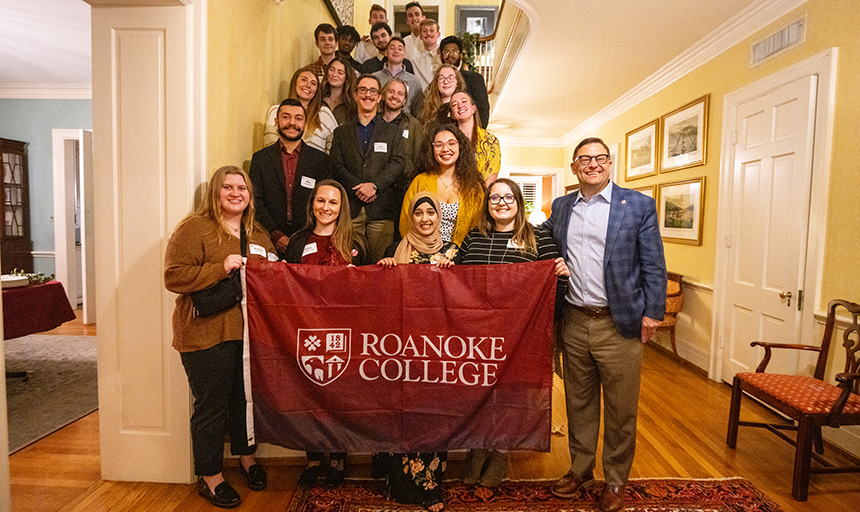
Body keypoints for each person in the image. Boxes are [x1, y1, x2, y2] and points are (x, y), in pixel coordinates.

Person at [543, 137, 666, 512]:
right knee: (579, 405)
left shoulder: (638, 205)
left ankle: (615, 480)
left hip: (620, 323)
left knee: (620, 408)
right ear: (575, 167)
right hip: (575, 320)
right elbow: (538, 240)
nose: (592, 164)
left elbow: (654, 264)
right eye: (585, 159)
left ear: (610, 163)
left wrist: (653, 313)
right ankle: (580, 470)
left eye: (599, 158)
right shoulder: (563, 206)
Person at [164, 166, 276, 508]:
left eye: (241, 187)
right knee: (211, 407)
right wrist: (222, 266)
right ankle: (210, 476)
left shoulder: (257, 234)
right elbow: (173, 276)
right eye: (227, 187)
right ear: (215, 192)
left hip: (248, 337)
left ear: (250, 195)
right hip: (205, 334)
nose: (235, 192)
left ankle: (246, 458)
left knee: (244, 401)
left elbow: (272, 275)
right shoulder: (195, 228)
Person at [455, 178, 570, 487]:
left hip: (520, 336)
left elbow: (555, 290)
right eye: (495, 198)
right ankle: (478, 450)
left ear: (519, 203)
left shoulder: (538, 239)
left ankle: (500, 452)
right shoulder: (474, 238)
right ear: (487, 205)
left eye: (508, 197)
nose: (501, 203)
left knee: (509, 397)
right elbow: (456, 280)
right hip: (476, 336)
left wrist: (561, 276)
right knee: (479, 395)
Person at [284, 180, 365, 486]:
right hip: (306, 333)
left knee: (340, 399)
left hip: (344, 334)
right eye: (321, 201)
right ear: (312, 204)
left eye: (333, 202)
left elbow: (370, 288)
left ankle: (337, 459)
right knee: (308, 397)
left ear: (341, 207)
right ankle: (313, 458)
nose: (326, 208)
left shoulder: (355, 242)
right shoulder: (297, 241)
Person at [376, 192, 452, 512]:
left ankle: (430, 485)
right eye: (418, 213)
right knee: (401, 411)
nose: (425, 219)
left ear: (439, 217)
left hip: (438, 347)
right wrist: (384, 268)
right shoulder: (395, 248)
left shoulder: (452, 252)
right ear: (411, 217)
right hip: (401, 346)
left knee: (432, 414)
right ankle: (400, 483)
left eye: (430, 213)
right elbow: (375, 295)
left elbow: (466, 296)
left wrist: (454, 271)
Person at [331, 74, 406, 262]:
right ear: (355, 95)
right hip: (350, 210)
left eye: (373, 91)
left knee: (380, 267)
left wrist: (374, 186)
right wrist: (359, 187)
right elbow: (336, 165)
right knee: (349, 264)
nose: (368, 95)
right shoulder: (341, 132)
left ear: (379, 97)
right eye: (363, 90)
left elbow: (398, 163)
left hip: (381, 210)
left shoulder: (393, 132)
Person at [250, 99, 333, 259]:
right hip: (269, 238)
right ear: (276, 121)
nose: (292, 123)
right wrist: (275, 234)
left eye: (298, 118)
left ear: (306, 124)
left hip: (309, 237)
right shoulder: (260, 159)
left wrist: (303, 235)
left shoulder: (321, 161)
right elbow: (255, 200)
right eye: (286, 117)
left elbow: (324, 201)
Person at [400, 124, 483, 246]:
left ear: (460, 146)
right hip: (422, 254)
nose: (445, 149)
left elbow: (478, 228)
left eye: (451, 143)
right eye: (438, 145)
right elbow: (405, 222)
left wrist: (457, 255)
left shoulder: (474, 187)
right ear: (431, 150)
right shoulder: (420, 181)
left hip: (461, 257)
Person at [380, 78, 423, 189]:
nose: (395, 96)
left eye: (400, 94)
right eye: (391, 91)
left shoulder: (414, 125)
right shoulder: (373, 122)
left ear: (404, 101)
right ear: (383, 95)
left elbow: (420, 160)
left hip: (404, 187)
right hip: (377, 188)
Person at [450, 91, 500, 185]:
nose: (460, 106)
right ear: (453, 115)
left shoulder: (491, 140)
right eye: (454, 104)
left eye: (464, 101)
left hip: (481, 195)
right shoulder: (449, 141)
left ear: (473, 108)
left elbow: (491, 176)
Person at [439, 35, 490, 128]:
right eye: (446, 52)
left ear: (461, 56)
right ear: (441, 56)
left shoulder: (475, 79)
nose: (450, 55)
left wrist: (473, 136)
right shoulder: (437, 82)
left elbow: (483, 113)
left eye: (454, 51)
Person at [288, 67, 338, 153]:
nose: (308, 85)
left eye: (313, 83)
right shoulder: (277, 112)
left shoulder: (324, 114)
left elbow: (335, 150)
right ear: (294, 82)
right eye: (304, 80)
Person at [372, 36, 424, 116]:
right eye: (392, 48)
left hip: (405, 125)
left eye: (400, 49)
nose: (396, 51)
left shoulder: (414, 81)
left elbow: (418, 111)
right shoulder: (374, 78)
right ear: (386, 52)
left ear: (404, 54)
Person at [321, 56, 358, 124]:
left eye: (340, 72)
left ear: (347, 77)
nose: (334, 74)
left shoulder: (351, 105)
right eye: (331, 70)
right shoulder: (318, 97)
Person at [411, 19, 442, 89]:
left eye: (432, 30)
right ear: (421, 36)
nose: (428, 33)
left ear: (438, 34)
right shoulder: (415, 62)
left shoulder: (443, 58)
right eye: (424, 31)